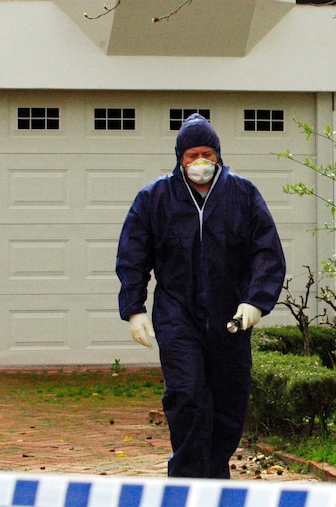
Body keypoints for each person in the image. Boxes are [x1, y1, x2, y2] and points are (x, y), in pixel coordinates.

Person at [116, 113, 286, 479]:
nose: (200, 163)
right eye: (192, 155)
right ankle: (188, 479)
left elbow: (266, 251)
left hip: (230, 317)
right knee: (187, 394)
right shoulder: (155, 198)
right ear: (180, 158)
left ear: (219, 155)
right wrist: (134, 310)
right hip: (178, 315)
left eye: (206, 153)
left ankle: (214, 473)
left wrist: (256, 300)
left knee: (230, 400)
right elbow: (133, 255)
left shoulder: (243, 194)